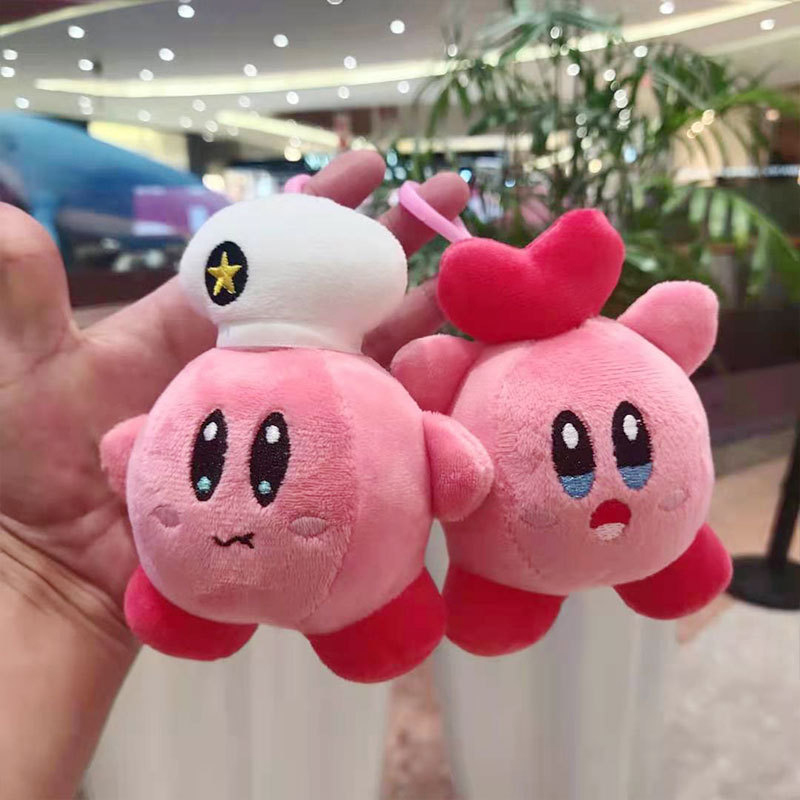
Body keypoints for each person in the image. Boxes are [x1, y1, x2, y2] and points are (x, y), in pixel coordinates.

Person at [0, 150, 469, 800]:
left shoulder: (209, 376)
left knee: (372, 624)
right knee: (370, 625)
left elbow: (444, 460)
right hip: (225, 589)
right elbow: (450, 464)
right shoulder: (265, 381)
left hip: (261, 588)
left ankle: (356, 617)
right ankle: (344, 616)